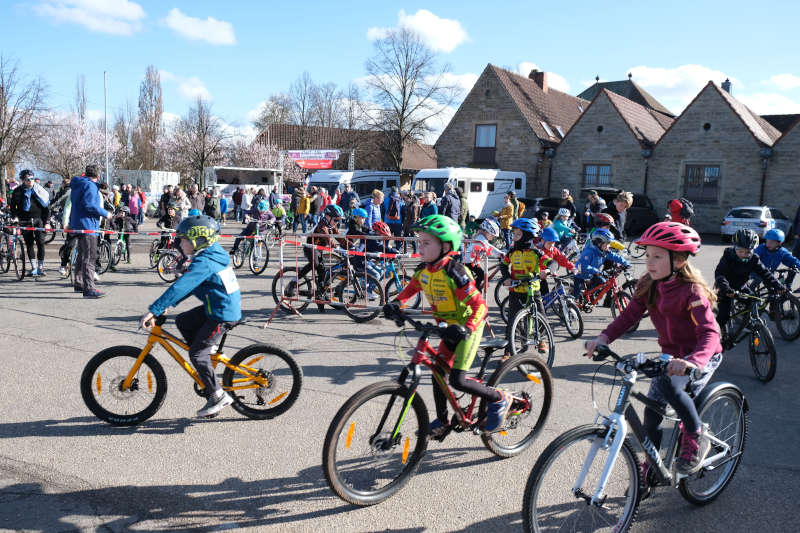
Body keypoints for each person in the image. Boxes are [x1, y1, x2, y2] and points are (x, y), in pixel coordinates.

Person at [584, 221, 723, 480]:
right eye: (647, 255)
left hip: (700, 355)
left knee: (672, 388)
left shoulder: (692, 291)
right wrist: (603, 337)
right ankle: (653, 465)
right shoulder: (650, 284)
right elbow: (628, 316)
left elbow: (709, 332)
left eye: (658, 256)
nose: (650, 262)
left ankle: (695, 435)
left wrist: (695, 360)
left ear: (679, 260)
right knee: (651, 415)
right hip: (671, 356)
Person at [386, 214, 511, 436]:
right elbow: (410, 289)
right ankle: (443, 420)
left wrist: (468, 328)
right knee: (438, 372)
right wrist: (396, 303)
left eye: (426, 243)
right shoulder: (424, 270)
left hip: (467, 327)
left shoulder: (455, 271)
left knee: (458, 379)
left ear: (445, 246)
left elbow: (480, 306)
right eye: (419, 242)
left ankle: (498, 399)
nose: (420, 247)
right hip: (447, 328)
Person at [139, 214, 241, 418]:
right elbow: (190, 285)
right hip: (218, 307)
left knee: (195, 353)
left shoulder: (205, 262)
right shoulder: (210, 255)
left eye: (184, 239)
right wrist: (171, 305)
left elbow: (181, 286)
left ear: (198, 240)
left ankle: (218, 395)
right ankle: (207, 356)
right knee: (183, 321)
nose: (179, 242)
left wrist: (155, 309)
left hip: (222, 313)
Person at [714, 229, 783, 347]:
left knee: (752, 301)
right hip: (725, 287)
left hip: (740, 286)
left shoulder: (754, 259)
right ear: (734, 247)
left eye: (747, 252)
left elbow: (765, 273)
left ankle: (748, 322)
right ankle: (715, 337)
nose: (743, 254)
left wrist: (778, 286)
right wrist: (726, 289)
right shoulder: (728, 256)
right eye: (740, 251)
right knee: (723, 315)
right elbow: (719, 274)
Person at [501, 218, 550, 358]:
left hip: (533, 290)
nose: (514, 237)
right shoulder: (512, 252)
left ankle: (542, 340)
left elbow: (550, 262)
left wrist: (547, 271)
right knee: (511, 322)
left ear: (527, 236)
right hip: (516, 291)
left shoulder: (536, 252)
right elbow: (503, 265)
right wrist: (506, 278)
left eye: (518, 234)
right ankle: (508, 351)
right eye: (514, 234)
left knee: (541, 316)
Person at [287, 204, 347, 313]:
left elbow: (340, 238)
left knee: (322, 274)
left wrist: (351, 247)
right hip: (310, 248)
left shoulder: (332, 225)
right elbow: (327, 237)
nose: (337, 222)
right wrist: (336, 247)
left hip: (318, 249)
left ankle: (320, 298)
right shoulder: (322, 224)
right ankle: (294, 281)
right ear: (328, 217)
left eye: (339, 220)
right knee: (315, 263)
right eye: (336, 220)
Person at [69, 165, 113, 298]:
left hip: (77, 223)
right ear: (97, 176)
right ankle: (89, 288)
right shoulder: (90, 186)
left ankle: (78, 282)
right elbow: (90, 205)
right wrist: (105, 213)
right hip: (88, 225)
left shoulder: (78, 184)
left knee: (82, 254)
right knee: (90, 257)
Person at [10, 169, 50, 277]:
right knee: (29, 244)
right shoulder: (17, 191)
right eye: (28, 179)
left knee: (41, 243)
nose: (31, 181)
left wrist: (47, 222)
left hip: (39, 220)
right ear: (23, 180)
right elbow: (13, 207)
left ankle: (40, 268)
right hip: (25, 220)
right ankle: (34, 267)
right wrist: (15, 218)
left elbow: (47, 208)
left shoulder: (40, 190)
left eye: (32, 178)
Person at [572, 228, 630, 299]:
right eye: (607, 244)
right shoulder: (589, 252)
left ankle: (589, 295)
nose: (609, 246)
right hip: (580, 275)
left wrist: (625, 262)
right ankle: (573, 303)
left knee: (602, 282)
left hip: (592, 274)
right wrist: (596, 271)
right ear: (599, 243)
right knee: (576, 297)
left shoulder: (603, 251)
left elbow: (614, 256)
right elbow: (582, 266)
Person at [464, 218, 504, 294]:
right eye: (492, 235)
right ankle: (476, 291)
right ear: (485, 231)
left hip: (472, 261)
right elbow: (490, 248)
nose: (493, 237)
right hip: (469, 262)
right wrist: (500, 254)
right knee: (482, 275)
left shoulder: (482, 238)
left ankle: (475, 288)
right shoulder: (481, 239)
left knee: (480, 275)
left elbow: (489, 246)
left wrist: (499, 252)